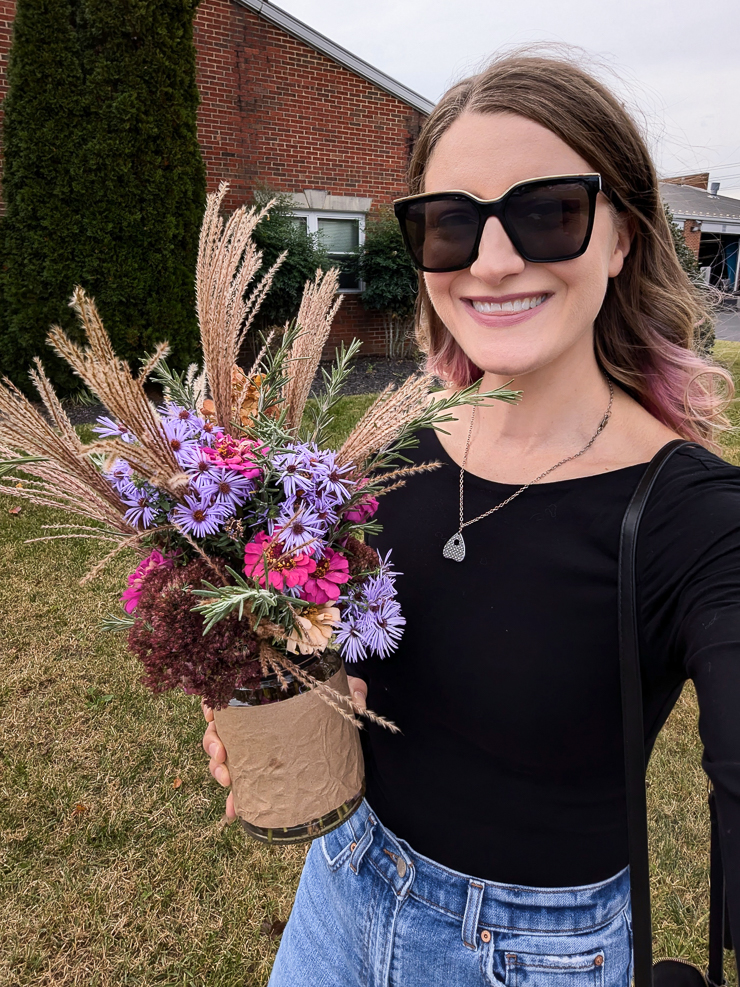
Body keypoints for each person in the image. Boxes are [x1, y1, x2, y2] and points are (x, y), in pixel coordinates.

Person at [202, 52, 740, 986]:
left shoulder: (694, 520)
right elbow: (369, 654)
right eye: (452, 223)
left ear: (622, 237)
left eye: (549, 213)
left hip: (534, 956)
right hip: (340, 893)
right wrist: (296, 699)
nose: (494, 260)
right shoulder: (397, 445)